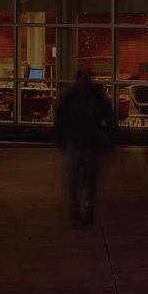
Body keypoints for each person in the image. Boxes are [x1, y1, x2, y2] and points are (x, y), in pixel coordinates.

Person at [54, 70, 115, 225]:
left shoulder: (93, 98)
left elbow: (109, 118)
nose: (84, 84)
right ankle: (77, 204)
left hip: (90, 142)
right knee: (75, 176)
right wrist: (60, 139)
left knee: (89, 176)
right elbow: (60, 119)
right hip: (77, 141)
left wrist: (110, 139)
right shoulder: (72, 98)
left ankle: (88, 207)